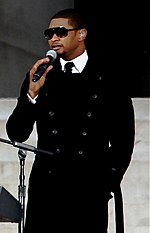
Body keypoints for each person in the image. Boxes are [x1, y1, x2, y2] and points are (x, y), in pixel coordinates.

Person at [6, 8, 135, 233]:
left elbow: (123, 139)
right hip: (47, 190)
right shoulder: (42, 75)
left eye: (60, 32)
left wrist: (106, 184)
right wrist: (31, 96)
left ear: (81, 34)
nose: (53, 38)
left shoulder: (108, 77)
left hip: (87, 190)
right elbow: (16, 133)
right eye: (49, 33)